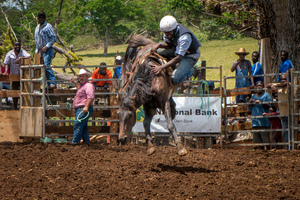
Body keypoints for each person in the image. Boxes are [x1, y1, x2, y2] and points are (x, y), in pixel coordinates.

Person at [151, 15, 201, 84]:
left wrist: (161, 67)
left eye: (168, 32)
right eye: (165, 33)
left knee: (175, 78)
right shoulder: (167, 32)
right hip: (177, 49)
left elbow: (179, 58)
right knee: (157, 51)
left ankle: (192, 71)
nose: (167, 35)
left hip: (189, 55)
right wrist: (160, 45)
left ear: (174, 29)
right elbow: (168, 43)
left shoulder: (184, 37)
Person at [3, 41, 32, 110]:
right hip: (13, 76)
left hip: (22, 76)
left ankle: (25, 107)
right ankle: (15, 107)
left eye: (18, 45)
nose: (17, 46)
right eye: (16, 45)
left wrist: (21, 58)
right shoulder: (10, 53)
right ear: (14, 46)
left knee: (24, 92)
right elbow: (6, 63)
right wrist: (6, 71)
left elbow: (29, 56)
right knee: (14, 92)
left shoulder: (22, 52)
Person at [70, 69, 95, 144]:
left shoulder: (88, 85)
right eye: (80, 76)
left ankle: (75, 142)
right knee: (83, 126)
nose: (81, 78)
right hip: (81, 108)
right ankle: (86, 142)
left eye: (83, 76)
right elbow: (79, 87)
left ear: (86, 77)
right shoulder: (83, 85)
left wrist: (86, 106)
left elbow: (90, 97)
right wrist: (75, 82)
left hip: (83, 108)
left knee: (77, 125)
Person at [34, 11, 57, 88]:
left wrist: (46, 47)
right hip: (39, 51)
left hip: (47, 50)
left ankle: (52, 83)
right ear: (38, 18)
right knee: (39, 68)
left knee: (46, 65)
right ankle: (45, 84)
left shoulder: (48, 26)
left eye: (42, 17)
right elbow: (36, 40)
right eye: (40, 17)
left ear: (45, 18)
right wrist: (36, 51)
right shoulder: (37, 27)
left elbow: (53, 38)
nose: (41, 18)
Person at [247, 81, 272, 147]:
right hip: (255, 122)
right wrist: (250, 102)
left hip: (264, 122)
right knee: (257, 143)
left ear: (263, 87)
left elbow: (270, 105)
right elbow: (249, 108)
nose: (259, 87)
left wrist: (261, 102)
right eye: (257, 85)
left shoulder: (266, 95)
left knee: (266, 142)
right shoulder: (253, 97)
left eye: (260, 85)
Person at [267, 74, 290, 143]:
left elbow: (285, 84)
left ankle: (292, 146)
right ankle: (288, 146)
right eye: (281, 79)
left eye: (284, 79)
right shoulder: (279, 89)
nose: (283, 81)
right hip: (282, 114)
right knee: (284, 132)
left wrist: (276, 85)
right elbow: (267, 85)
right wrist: (272, 85)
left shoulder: (290, 86)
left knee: (291, 131)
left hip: (290, 113)